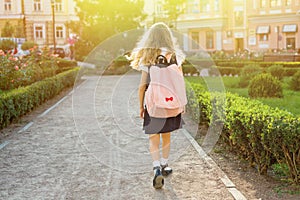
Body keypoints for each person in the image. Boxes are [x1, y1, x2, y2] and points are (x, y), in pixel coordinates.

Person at [129, 22, 186, 189]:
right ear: (168, 37)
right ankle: (165, 164)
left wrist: (141, 106)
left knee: (153, 139)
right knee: (166, 135)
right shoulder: (175, 56)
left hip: (154, 103)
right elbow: (180, 83)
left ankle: (156, 168)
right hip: (171, 103)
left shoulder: (148, 57)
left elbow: (142, 86)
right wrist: (182, 104)